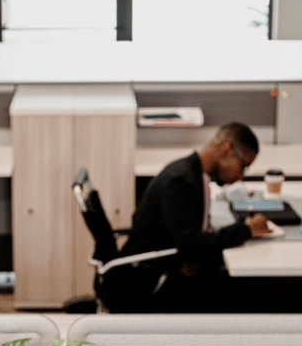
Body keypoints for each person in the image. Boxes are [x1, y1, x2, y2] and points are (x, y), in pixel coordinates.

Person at [108, 122, 272, 312]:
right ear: (227, 150)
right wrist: (245, 229)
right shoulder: (180, 180)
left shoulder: (190, 173)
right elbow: (191, 246)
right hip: (149, 282)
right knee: (256, 291)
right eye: (243, 166)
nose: (241, 176)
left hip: (164, 268)